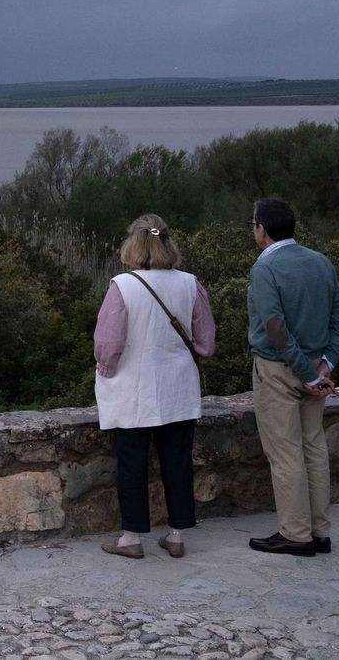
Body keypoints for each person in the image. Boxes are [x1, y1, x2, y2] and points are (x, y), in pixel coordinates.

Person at [94, 214, 216, 559]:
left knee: (131, 461)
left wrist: (106, 370)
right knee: (177, 460)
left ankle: (131, 537)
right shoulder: (191, 284)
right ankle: (176, 534)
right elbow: (206, 342)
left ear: (133, 244)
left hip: (133, 388)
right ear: (167, 242)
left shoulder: (123, 286)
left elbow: (109, 344)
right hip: (177, 386)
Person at [246, 198, 339, 556]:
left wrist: (307, 373)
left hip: (279, 370)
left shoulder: (265, 269)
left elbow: (275, 329)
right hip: (316, 369)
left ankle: (295, 533)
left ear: (262, 229)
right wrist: (325, 366)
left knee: (285, 453)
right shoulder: (321, 262)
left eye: (254, 224)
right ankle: (320, 531)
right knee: (314, 449)